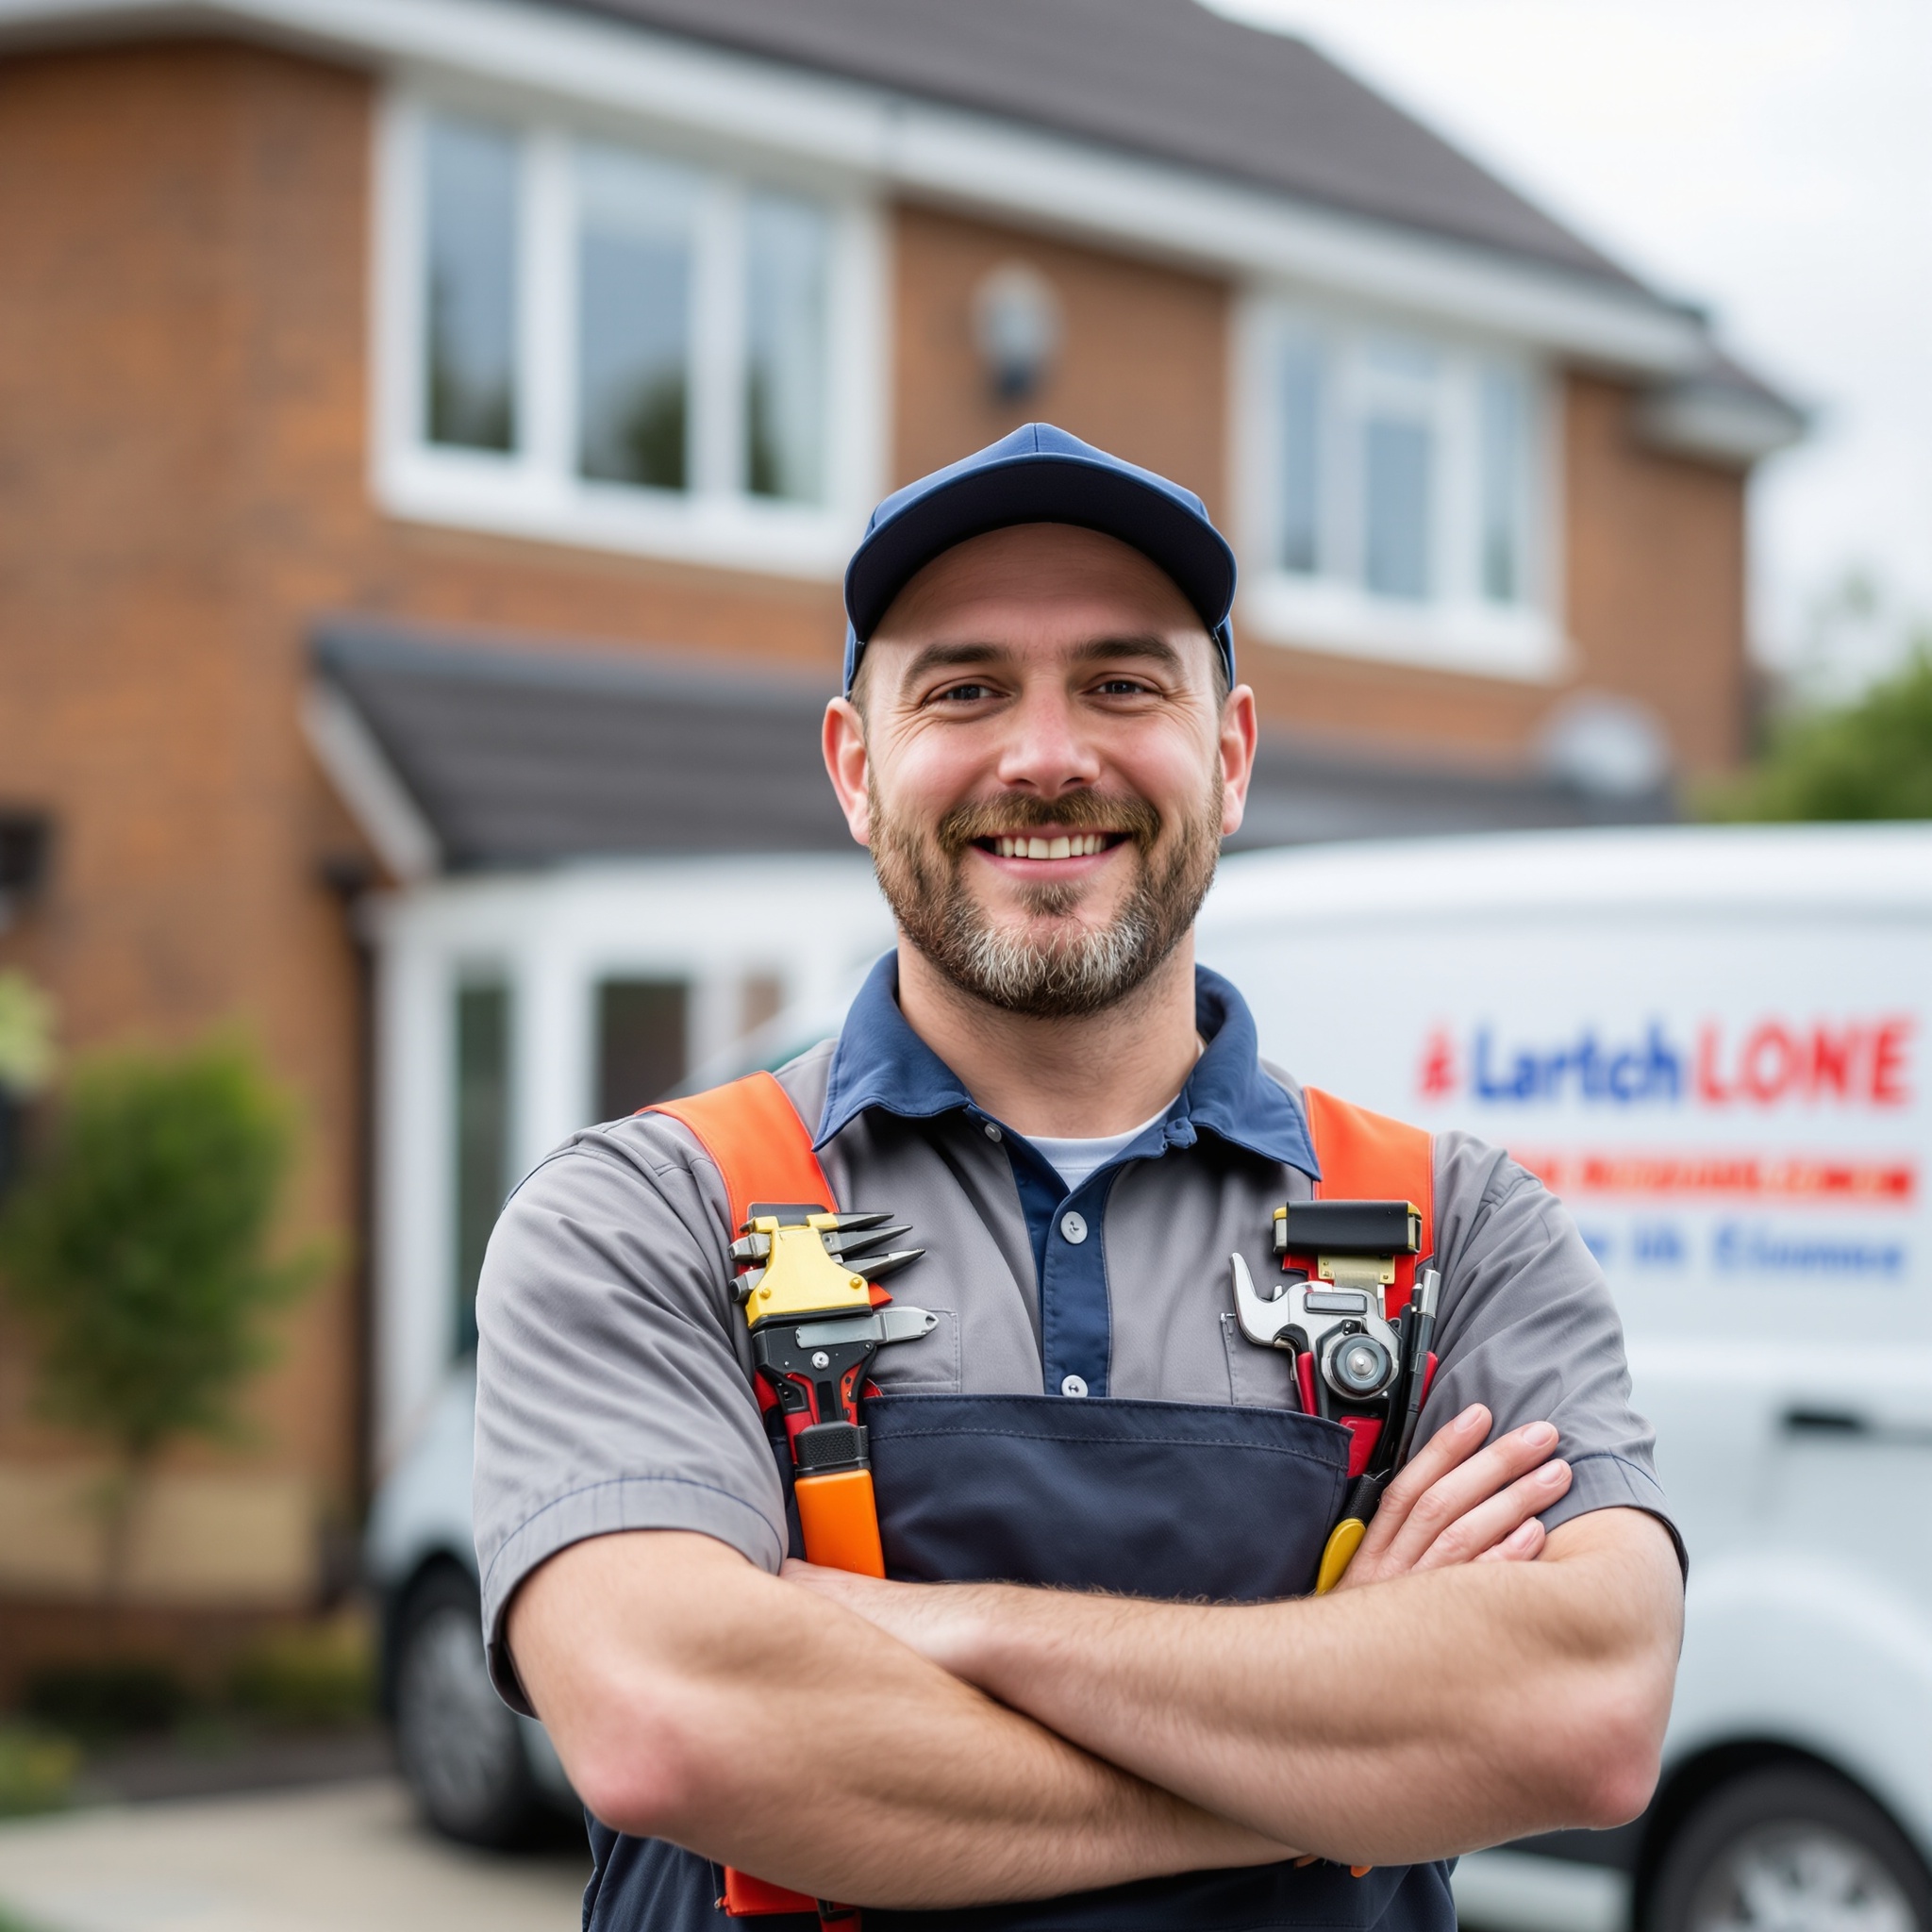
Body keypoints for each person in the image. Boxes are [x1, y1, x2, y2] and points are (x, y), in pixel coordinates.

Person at [474, 424, 1685, 1931]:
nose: (1047, 758)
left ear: (1228, 756)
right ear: (856, 769)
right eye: (965, 690)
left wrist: (951, 1629)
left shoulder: (1466, 1231)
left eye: (1121, 684)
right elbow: (674, 1726)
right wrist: (1326, 1765)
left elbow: (1583, 1716)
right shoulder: (644, 1216)